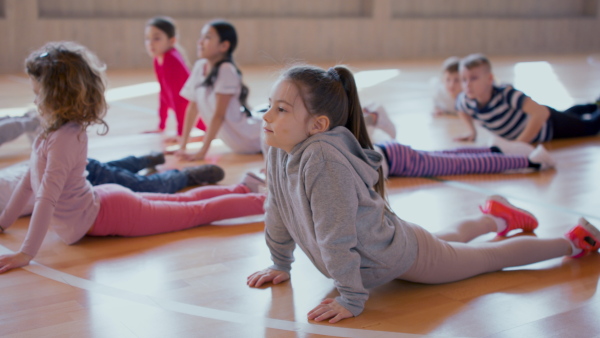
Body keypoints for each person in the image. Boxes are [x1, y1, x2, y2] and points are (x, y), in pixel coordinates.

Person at [246, 64, 600, 324]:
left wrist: (352, 297)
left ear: (317, 126)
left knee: (490, 259)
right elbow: (277, 206)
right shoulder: (280, 147)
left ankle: (573, 240)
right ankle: (496, 216)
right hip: (389, 249)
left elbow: (335, 234)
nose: (268, 116)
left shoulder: (321, 160)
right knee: (445, 243)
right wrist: (280, 262)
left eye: (282, 109)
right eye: (270, 104)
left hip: (398, 253)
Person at [0, 42, 266, 274]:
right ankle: (244, 189)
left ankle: (265, 202)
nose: (35, 102)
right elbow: (28, 181)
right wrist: (3, 222)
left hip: (113, 212)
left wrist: (26, 253)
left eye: (38, 95)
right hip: (105, 201)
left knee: (195, 211)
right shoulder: (51, 133)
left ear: (56, 97)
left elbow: (46, 198)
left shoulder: (62, 138)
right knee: (184, 202)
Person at [0, 152, 225, 216]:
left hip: (83, 177)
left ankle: (187, 176)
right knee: (112, 169)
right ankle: (143, 160)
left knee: (146, 187)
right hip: (77, 167)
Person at [455, 53, 600, 143]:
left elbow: (542, 113)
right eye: (463, 79)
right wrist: (471, 131)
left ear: (490, 79)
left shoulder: (506, 94)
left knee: (591, 127)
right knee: (570, 115)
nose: (467, 85)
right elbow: (460, 108)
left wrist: (520, 143)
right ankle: (594, 105)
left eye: (473, 78)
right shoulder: (466, 100)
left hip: (551, 126)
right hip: (547, 122)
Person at [177, 20, 262, 160]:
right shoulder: (200, 66)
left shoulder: (226, 70)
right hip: (237, 144)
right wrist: (182, 147)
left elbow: (219, 116)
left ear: (224, 45)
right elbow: (192, 108)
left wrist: (202, 153)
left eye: (207, 37)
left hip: (251, 139)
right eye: (202, 37)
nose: (200, 42)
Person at [144, 16, 206, 135]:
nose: (150, 43)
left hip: (199, 113)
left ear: (172, 41)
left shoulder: (171, 60)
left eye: (156, 38)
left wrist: (181, 134)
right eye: (147, 38)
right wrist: (161, 126)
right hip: (191, 114)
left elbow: (180, 101)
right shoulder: (158, 59)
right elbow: (164, 94)